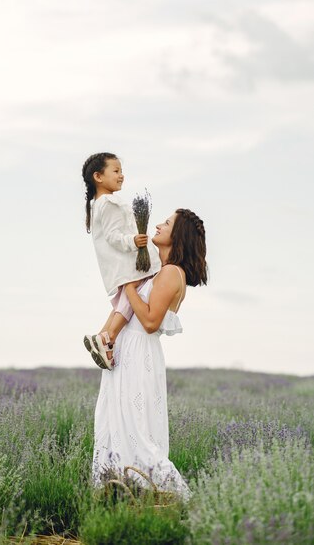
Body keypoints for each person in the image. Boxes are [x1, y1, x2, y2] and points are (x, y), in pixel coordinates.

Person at [92, 208, 208, 500]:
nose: (158, 224)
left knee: (138, 435)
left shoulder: (171, 273)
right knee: (114, 426)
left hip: (138, 353)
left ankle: (182, 502)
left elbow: (149, 321)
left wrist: (129, 284)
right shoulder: (160, 270)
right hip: (127, 352)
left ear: (178, 235)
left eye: (166, 223)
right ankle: (122, 499)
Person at [82, 152, 161, 370]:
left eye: (121, 171)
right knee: (129, 298)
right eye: (115, 171)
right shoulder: (108, 202)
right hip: (127, 263)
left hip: (117, 265)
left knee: (122, 302)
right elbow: (112, 236)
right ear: (98, 176)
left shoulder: (97, 203)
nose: (121, 176)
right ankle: (109, 337)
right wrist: (134, 241)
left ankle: (100, 336)